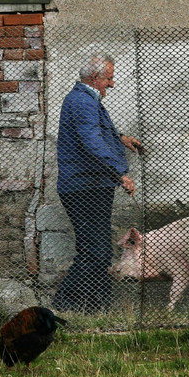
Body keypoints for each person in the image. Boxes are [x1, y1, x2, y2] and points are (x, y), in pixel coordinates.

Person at [53, 53, 143, 313]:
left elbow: (95, 131)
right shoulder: (82, 101)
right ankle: (65, 303)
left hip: (89, 185)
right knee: (96, 251)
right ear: (95, 78)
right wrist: (120, 173)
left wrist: (121, 138)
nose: (112, 84)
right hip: (85, 187)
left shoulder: (85, 99)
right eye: (109, 79)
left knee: (96, 250)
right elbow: (91, 141)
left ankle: (93, 307)